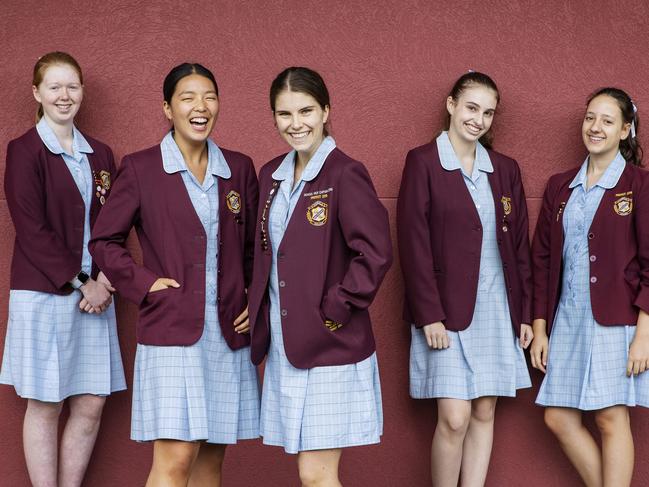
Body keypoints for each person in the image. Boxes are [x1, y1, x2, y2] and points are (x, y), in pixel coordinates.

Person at [88, 62, 260, 487]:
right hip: (171, 330)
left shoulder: (238, 168)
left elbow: (257, 250)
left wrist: (256, 302)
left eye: (209, 97)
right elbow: (103, 242)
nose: (200, 107)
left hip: (227, 335)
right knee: (175, 459)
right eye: (187, 98)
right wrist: (146, 284)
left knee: (210, 461)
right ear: (167, 108)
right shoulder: (142, 168)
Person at [247, 66, 392, 487]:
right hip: (286, 343)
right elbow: (266, 252)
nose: (297, 124)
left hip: (332, 344)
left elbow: (376, 252)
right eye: (285, 114)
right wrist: (254, 303)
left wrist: (335, 309)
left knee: (315, 474)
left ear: (326, 110)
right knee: (307, 472)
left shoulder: (346, 173)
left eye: (306, 111)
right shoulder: (270, 175)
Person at [397, 71, 533, 486]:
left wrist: (524, 314)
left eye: (488, 112)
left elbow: (520, 249)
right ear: (452, 105)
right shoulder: (422, 161)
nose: (479, 119)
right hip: (445, 312)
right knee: (454, 418)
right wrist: (429, 314)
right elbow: (412, 242)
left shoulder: (505, 169)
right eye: (472, 107)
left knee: (484, 411)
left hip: (495, 309)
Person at [0, 51, 126, 487]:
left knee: (91, 401)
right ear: (37, 93)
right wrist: (83, 282)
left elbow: (115, 222)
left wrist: (107, 276)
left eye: (72, 86)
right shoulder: (25, 150)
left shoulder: (102, 154)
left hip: (97, 296)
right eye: (54, 87)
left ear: (82, 92)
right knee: (46, 404)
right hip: (47, 295)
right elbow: (31, 230)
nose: (64, 95)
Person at [530, 87, 648, 487]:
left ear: (625, 130)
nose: (595, 127)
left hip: (618, 321)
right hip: (568, 319)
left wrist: (644, 337)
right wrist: (542, 327)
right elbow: (542, 259)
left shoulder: (639, 184)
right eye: (590, 118)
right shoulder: (560, 186)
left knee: (610, 416)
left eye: (607, 121)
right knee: (558, 416)